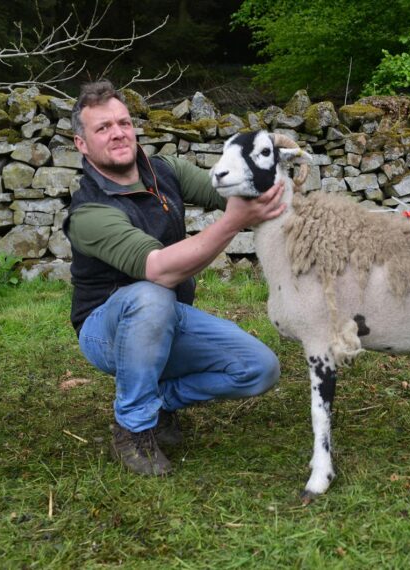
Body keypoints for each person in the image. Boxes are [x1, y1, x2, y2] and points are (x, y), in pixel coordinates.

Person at [65, 79, 285, 476]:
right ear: (82, 144)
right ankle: (133, 428)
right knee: (151, 293)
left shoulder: (164, 171)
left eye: (124, 122)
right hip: (106, 329)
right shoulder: (89, 212)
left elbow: (232, 190)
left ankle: (157, 400)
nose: (118, 133)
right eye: (103, 128)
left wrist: (270, 182)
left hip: (166, 316)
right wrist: (235, 222)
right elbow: (160, 269)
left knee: (259, 368)